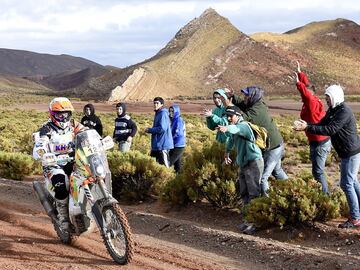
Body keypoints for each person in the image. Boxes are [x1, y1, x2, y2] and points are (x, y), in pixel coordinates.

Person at [294, 85, 360, 228]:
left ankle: (356, 218)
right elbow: (321, 124)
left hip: (351, 152)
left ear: (335, 97)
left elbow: (330, 129)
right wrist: (307, 125)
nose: (326, 100)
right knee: (352, 182)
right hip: (346, 152)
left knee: (347, 184)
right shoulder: (333, 110)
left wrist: (307, 128)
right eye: (326, 98)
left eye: (328, 98)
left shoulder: (344, 112)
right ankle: (357, 214)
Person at [33, 97, 87, 231]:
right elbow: (39, 145)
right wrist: (42, 153)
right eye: (59, 114)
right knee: (62, 183)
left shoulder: (75, 125)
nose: (63, 117)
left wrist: (99, 141)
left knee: (90, 174)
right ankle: (63, 219)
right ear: (52, 114)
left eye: (66, 114)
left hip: (73, 161)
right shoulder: (46, 129)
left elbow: (89, 134)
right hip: (53, 164)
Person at [227, 86, 288, 195]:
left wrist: (230, 112)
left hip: (273, 147)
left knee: (263, 177)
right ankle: (290, 188)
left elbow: (242, 118)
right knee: (277, 171)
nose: (244, 97)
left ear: (252, 96)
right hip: (276, 144)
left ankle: (265, 202)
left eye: (246, 95)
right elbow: (244, 104)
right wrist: (233, 97)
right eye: (244, 95)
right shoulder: (257, 103)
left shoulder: (256, 111)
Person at [218, 106, 264, 234]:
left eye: (230, 116)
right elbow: (231, 140)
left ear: (238, 115)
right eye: (227, 116)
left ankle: (255, 223)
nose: (228, 118)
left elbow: (235, 129)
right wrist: (227, 153)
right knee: (244, 193)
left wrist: (227, 128)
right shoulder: (235, 127)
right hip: (244, 164)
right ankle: (247, 220)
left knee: (254, 193)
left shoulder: (243, 126)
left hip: (253, 162)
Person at [294, 61, 331, 193]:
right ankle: (321, 194)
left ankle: (325, 197)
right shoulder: (310, 101)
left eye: (306, 93)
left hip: (321, 141)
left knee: (318, 171)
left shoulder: (312, 102)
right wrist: (300, 73)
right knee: (316, 171)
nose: (303, 95)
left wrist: (298, 83)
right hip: (315, 140)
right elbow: (308, 87)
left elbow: (307, 93)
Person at [145, 97, 174, 167]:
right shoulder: (158, 113)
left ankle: (169, 177)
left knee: (165, 167)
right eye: (154, 103)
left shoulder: (163, 113)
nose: (155, 105)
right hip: (157, 145)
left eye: (157, 103)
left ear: (162, 104)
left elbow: (162, 128)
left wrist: (149, 130)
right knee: (153, 165)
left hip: (162, 145)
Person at [169, 104, 186, 173]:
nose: (171, 113)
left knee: (168, 163)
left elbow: (178, 132)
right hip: (176, 145)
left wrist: (170, 139)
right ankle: (178, 179)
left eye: (172, 111)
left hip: (178, 145)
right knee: (177, 165)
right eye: (170, 111)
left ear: (176, 111)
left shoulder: (178, 120)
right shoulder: (174, 120)